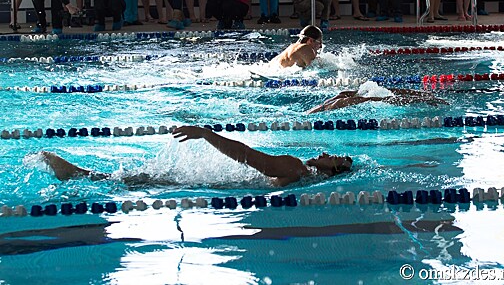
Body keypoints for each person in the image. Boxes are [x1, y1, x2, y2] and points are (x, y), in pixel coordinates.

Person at [41, 126, 354, 187]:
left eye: (334, 158)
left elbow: (246, 156)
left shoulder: (297, 168)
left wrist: (206, 134)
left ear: (331, 170)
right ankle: (81, 175)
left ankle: (78, 175)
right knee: (147, 180)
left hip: (214, 184)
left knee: (145, 180)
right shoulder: (303, 180)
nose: (326, 152)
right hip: (221, 186)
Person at [307, 88, 449, 113]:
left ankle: (421, 95)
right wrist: (416, 99)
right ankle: (421, 96)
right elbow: (377, 99)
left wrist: (417, 95)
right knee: (376, 98)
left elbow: (385, 93)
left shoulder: (335, 101)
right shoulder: (338, 102)